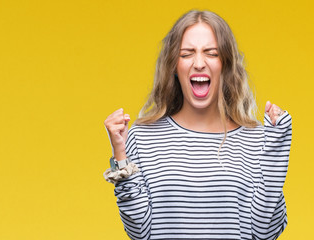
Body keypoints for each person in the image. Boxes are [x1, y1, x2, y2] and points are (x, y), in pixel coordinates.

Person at [103, 10, 292, 240]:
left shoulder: (256, 140)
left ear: (225, 64)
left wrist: (276, 146)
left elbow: (265, 233)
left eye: (211, 53)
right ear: (174, 65)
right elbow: (139, 233)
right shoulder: (143, 138)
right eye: (187, 54)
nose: (199, 63)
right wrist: (120, 154)